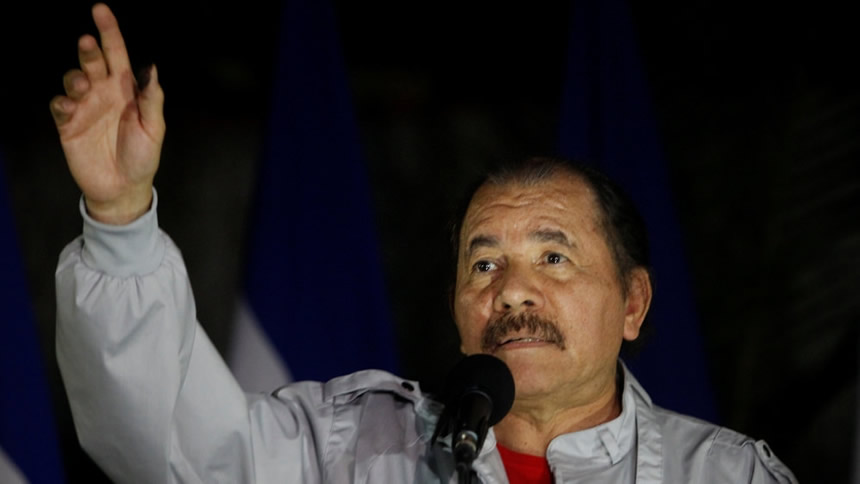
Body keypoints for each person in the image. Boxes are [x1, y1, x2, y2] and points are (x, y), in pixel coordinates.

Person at [51, 4, 797, 483]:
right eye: (484, 262)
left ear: (633, 303)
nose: (512, 289)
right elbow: (167, 445)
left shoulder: (726, 475)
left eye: (554, 257)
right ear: (457, 307)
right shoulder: (349, 447)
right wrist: (119, 217)